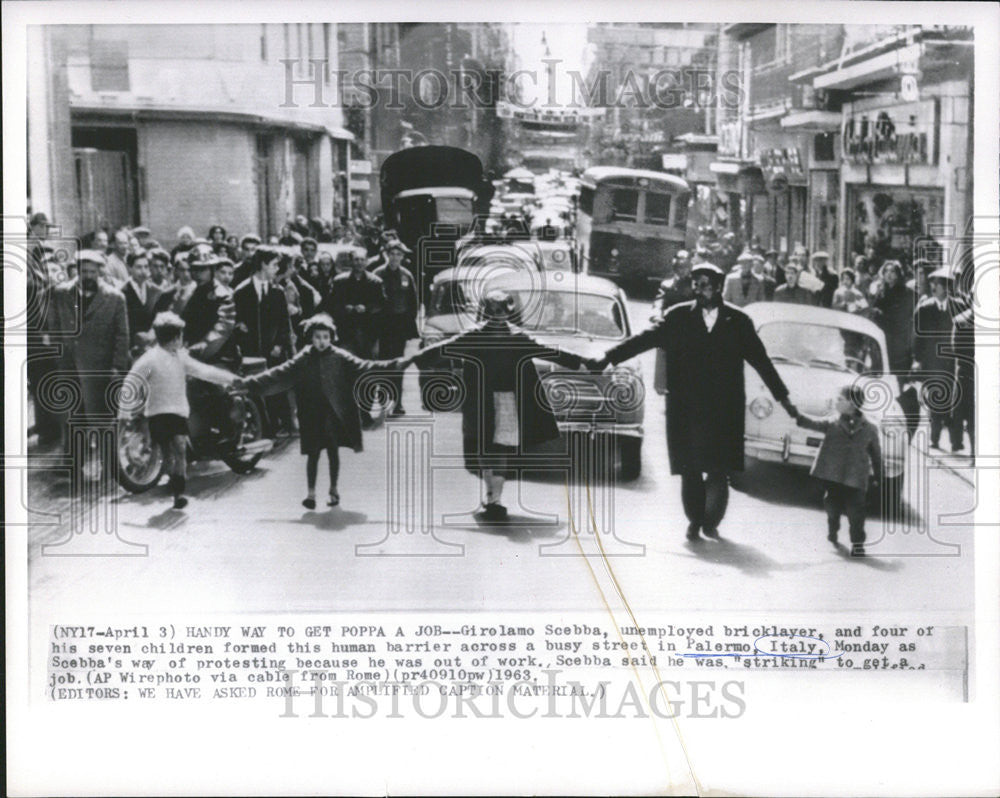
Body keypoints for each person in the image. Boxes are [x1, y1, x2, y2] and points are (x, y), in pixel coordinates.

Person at [592, 262, 795, 540]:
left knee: (718, 470)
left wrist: (785, 401)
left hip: (724, 409)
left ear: (720, 286)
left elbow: (763, 363)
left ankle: (711, 522)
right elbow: (644, 339)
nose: (701, 289)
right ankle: (695, 521)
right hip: (685, 408)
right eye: (696, 284)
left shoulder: (739, 322)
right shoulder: (677, 317)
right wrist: (607, 357)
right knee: (689, 470)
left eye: (707, 284)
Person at [411, 289, 590, 521]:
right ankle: (491, 495)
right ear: (487, 313)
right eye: (493, 312)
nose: (497, 317)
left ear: (508, 313)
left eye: (501, 312)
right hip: (481, 402)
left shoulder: (514, 337)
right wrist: (409, 360)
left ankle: (494, 498)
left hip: (505, 400)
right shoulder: (475, 336)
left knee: (498, 447)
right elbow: (441, 351)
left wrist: (583, 362)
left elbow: (550, 351)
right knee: (487, 448)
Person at [234, 313, 408, 508]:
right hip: (311, 413)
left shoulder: (340, 357)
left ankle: (333, 489)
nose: (322, 341)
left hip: (333, 414)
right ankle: (311, 494)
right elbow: (278, 374)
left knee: (333, 452)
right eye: (317, 337)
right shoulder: (304, 358)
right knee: (313, 453)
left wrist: (395, 365)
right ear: (311, 337)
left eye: (326, 337)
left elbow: (365, 366)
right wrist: (248, 384)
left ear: (331, 337)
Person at [123, 312, 236, 509]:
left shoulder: (180, 358)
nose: (182, 341)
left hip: (177, 412)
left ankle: (179, 494)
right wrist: (124, 413)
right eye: (180, 337)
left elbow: (203, 371)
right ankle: (175, 483)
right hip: (157, 413)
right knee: (168, 454)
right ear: (174, 339)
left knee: (180, 447)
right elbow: (131, 382)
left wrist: (230, 379)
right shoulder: (149, 360)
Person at [48, 250, 131, 473]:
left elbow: (122, 335)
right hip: (70, 366)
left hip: (100, 369)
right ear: (77, 270)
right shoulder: (61, 293)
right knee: (73, 417)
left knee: (103, 418)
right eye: (84, 271)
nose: (88, 275)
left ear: (100, 272)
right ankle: (74, 463)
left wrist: (117, 366)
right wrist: (60, 356)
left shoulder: (115, 298)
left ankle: (109, 465)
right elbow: (53, 326)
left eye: (93, 271)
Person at [793, 385, 882, 557]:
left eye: (840, 399)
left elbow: (876, 455)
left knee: (857, 513)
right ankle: (833, 528)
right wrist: (797, 415)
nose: (836, 401)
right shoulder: (833, 422)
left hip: (856, 478)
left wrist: (879, 476)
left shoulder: (870, 428)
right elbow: (813, 423)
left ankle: (858, 544)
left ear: (853, 405)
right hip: (834, 475)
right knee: (831, 505)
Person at [233, 245, 294, 431]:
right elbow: (234, 321)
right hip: (251, 353)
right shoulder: (242, 292)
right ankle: (261, 428)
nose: (277, 269)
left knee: (275, 389)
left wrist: (279, 344)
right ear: (262, 264)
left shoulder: (277, 292)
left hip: (273, 352)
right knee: (256, 391)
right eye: (274, 264)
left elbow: (285, 323)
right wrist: (239, 328)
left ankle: (278, 426)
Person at [912, 268, 966, 451]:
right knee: (935, 400)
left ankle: (956, 442)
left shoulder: (959, 306)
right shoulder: (924, 308)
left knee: (955, 401)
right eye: (933, 283)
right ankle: (934, 439)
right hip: (932, 363)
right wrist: (917, 360)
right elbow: (917, 338)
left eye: (938, 284)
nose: (933, 287)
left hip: (954, 363)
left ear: (946, 287)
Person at [373, 240, 419, 415]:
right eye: (392, 253)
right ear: (386, 254)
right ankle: (383, 396)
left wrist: (409, 324)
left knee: (399, 362)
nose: (395, 257)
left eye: (399, 254)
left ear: (402, 257)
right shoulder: (378, 274)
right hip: (382, 324)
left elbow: (413, 302)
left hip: (399, 324)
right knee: (383, 361)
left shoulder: (406, 275)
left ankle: (398, 401)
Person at [324, 248, 385, 358]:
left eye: (362, 260)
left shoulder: (375, 282)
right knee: (346, 361)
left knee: (368, 362)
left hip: (369, 330)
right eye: (356, 260)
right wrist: (344, 308)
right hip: (346, 329)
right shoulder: (340, 281)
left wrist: (367, 308)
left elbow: (382, 303)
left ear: (367, 261)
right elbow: (331, 303)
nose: (359, 263)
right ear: (351, 262)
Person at [871, 260, 916, 379]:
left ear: (898, 274)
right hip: (882, 335)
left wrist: (882, 314)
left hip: (898, 337)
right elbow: (874, 308)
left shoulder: (906, 292)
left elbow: (903, 315)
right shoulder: (881, 291)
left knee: (896, 371)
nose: (889, 274)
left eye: (892, 271)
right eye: (886, 271)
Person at [122, 251, 162, 357]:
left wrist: (151, 336)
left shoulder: (156, 291)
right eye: (139, 267)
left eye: (146, 267)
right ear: (129, 268)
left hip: (153, 347)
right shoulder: (122, 293)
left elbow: (159, 318)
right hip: (131, 349)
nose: (143, 271)